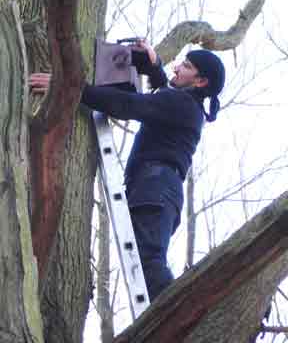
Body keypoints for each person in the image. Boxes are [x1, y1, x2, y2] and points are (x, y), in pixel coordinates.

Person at [29, 40, 225, 302]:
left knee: (149, 265)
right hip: (157, 190)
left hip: (155, 188)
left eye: (186, 66)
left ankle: (180, 323)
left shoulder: (182, 106)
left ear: (200, 82)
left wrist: (70, 89)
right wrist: (154, 67)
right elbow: (161, 98)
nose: (177, 67)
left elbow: (129, 105)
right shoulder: (186, 106)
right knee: (148, 265)